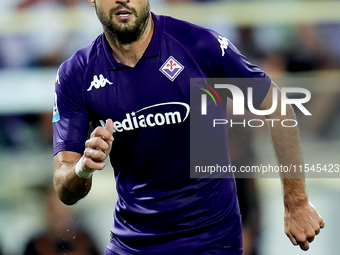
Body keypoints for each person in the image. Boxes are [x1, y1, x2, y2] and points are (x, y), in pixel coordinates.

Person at [52, 0, 325, 254]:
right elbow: (64, 187)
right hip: (133, 243)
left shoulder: (197, 44)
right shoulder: (76, 74)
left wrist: (296, 201)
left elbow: (275, 103)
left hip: (210, 240)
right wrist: (83, 168)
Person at [23, 187, 100, 255]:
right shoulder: (36, 245)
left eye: (61, 208)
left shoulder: (85, 241)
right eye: (52, 209)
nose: (58, 214)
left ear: (70, 211)